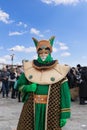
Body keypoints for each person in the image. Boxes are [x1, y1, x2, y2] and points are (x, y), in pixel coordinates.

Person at [16, 36, 71, 130]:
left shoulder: (60, 70)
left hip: (52, 109)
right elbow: (19, 86)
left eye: (46, 52)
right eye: (40, 52)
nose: (43, 54)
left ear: (50, 52)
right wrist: (27, 88)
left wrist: (64, 114)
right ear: (37, 53)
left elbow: (65, 94)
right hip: (31, 108)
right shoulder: (29, 69)